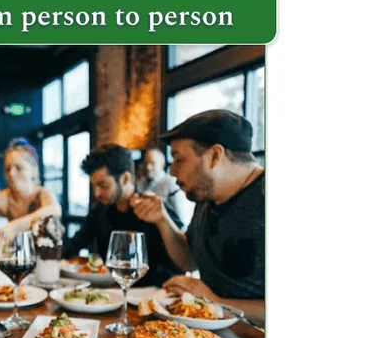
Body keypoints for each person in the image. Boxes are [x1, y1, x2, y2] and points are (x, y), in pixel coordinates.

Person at [131, 109, 265, 321]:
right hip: (211, 331)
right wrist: (162, 219)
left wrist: (214, 302)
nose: (172, 171)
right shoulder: (206, 197)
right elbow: (189, 260)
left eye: (179, 160)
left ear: (214, 156)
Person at [62, 144, 184, 287]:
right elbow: (75, 243)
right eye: (94, 186)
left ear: (125, 178)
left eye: (103, 185)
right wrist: (48, 251)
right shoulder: (100, 211)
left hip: (148, 294)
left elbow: (178, 265)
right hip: (109, 292)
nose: (96, 193)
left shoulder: (154, 210)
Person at [140, 148, 195, 225]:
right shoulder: (142, 182)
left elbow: (182, 217)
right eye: (146, 163)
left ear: (162, 164)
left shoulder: (172, 183)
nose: (148, 167)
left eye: (152, 163)